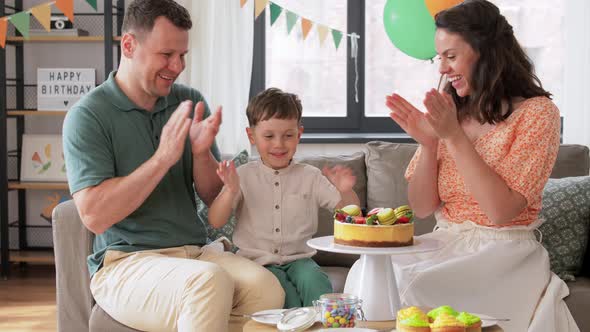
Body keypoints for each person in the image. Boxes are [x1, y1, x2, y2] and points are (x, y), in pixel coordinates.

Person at [62, 1, 284, 331]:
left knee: (266, 289)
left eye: (183, 55)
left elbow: (213, 197)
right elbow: (95, 216)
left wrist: (199, 153)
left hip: (193, 252)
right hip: (125, 263)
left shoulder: (188, 101)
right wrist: (161, 159)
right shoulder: (88, 116)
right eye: (167, 55)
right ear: (129, 45)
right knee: (207, 283)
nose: (177, 66)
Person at [375, 0, 579, 331]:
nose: (442, 68)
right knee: (373, 274)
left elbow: (501, 211)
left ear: (487, 53)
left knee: (417, 288)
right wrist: (429, 143)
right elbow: (423, 207)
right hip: (447, 243)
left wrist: (453, 138)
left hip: (504, 252)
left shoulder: (538, 114)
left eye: (451, 56)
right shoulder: (450, 113)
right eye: (439, 57)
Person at [208, 88, 360, 308]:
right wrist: (229, 191)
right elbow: (216, 220)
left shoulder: (311, 176)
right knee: (282, 292)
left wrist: (345, 190)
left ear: (299, 134)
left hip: (300, 261)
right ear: (252, 136)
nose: (279, 144)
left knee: (315, 282)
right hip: (257, 264)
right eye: (269, 136)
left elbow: (351, 215)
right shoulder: (243, 175)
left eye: (288, 136)